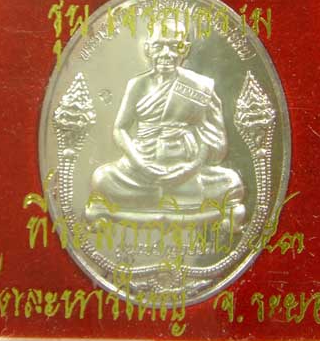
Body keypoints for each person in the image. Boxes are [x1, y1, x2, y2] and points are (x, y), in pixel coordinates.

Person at [85, 20, 245, 231]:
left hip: (187, 167)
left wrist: (190, 168)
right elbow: (120, 128)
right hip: (142, 168)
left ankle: (156, 197)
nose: (166, 53)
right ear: (148, 49)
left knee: (231, 182)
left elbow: (212, 136)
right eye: (159, 45)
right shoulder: (138, 85)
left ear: (185, 49)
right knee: (102, 179)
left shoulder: (200, 87)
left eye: (174, 46)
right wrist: (140, 164)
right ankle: (167, 196)